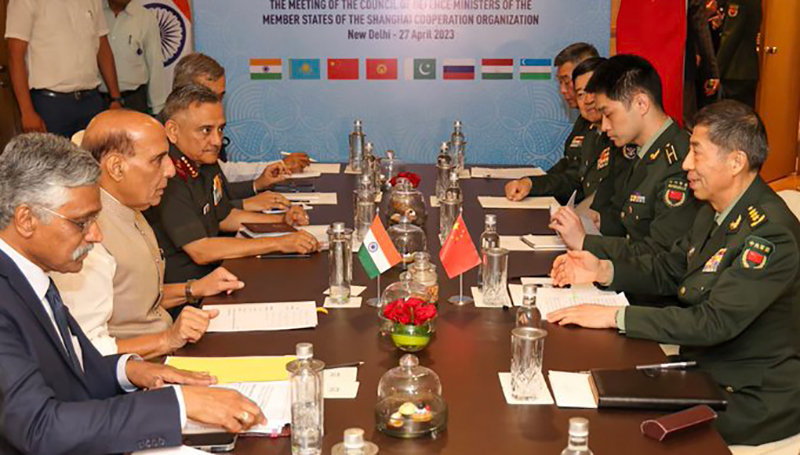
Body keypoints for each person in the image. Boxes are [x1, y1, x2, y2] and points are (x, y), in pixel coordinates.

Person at [548, 100, 800, 448]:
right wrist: (604, 270)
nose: (686, 164)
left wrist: (615, 316)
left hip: (749, 394)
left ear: (736, 162)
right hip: (704, 370)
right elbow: (669, 268)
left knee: (625, 431)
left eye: (696, 152)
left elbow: (713, 322)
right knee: (596, 390)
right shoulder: (714, 210)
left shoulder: (770, 234)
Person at [0, 133, 265, 454]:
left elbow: (76, 370)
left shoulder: (30, 271)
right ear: (26, 220)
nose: (96, 235)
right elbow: (39, 428)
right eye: (81, 223)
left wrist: (133, 370)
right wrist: (178, 405)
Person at [51, 110, 245, 359]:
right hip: (138, 369)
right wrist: (167, 339)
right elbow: (84, 350)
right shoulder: (88, 238)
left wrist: (194, 289)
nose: (171, 170)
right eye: (158, 160)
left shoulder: (131, 207)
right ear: (116, 167)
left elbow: (133, 302)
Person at [145, 84, 319, 285]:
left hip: (216, 272)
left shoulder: (204, 159)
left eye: (220, 129)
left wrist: (282, 221)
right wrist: (279, 242)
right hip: (189, 287)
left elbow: (224, 216)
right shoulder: (168, 175)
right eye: (206, 130)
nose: (217, 141)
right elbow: (201, 250)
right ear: (173, 131)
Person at [550, 55, 701, 262]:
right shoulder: (640, 151)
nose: (604, 126)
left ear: (641, 103)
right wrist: (599, 221)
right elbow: (628, 221)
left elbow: (661, 256)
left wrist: (585, 242)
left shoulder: (679, 162)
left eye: (609, 114)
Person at [172, 52, 311, 209]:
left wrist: (258, 184)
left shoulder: (207, 140)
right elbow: (203, 214)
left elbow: (220, 188)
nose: (216, 141)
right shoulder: (160, 146)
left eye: (220, 97)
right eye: (207, 97)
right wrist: (245, 204)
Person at [5, 0, 124, 137]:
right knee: (52, 151)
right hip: (50, 105)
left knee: (92, 151)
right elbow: (15, 56)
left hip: (91, 101)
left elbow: (103, 46)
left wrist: (115, 97)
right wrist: (27, 111)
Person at [504, 42, 600, 205]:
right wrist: (530, 182)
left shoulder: (603, 124)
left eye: (566, 82)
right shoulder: (584, 119)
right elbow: (568, 165)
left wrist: (533, 184)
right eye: (560, 82)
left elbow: (577, 180)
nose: (562, 90)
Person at [101, 0, 169, 114]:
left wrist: (158, 108)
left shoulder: (145, 17)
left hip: (134, 99)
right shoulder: (95, 14)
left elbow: (154, 64)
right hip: (98, 100)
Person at [717, 0, 762, 108]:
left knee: (729, 114)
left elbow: (730, 37)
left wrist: (716, 70)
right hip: (747, 68)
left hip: (733, 69)